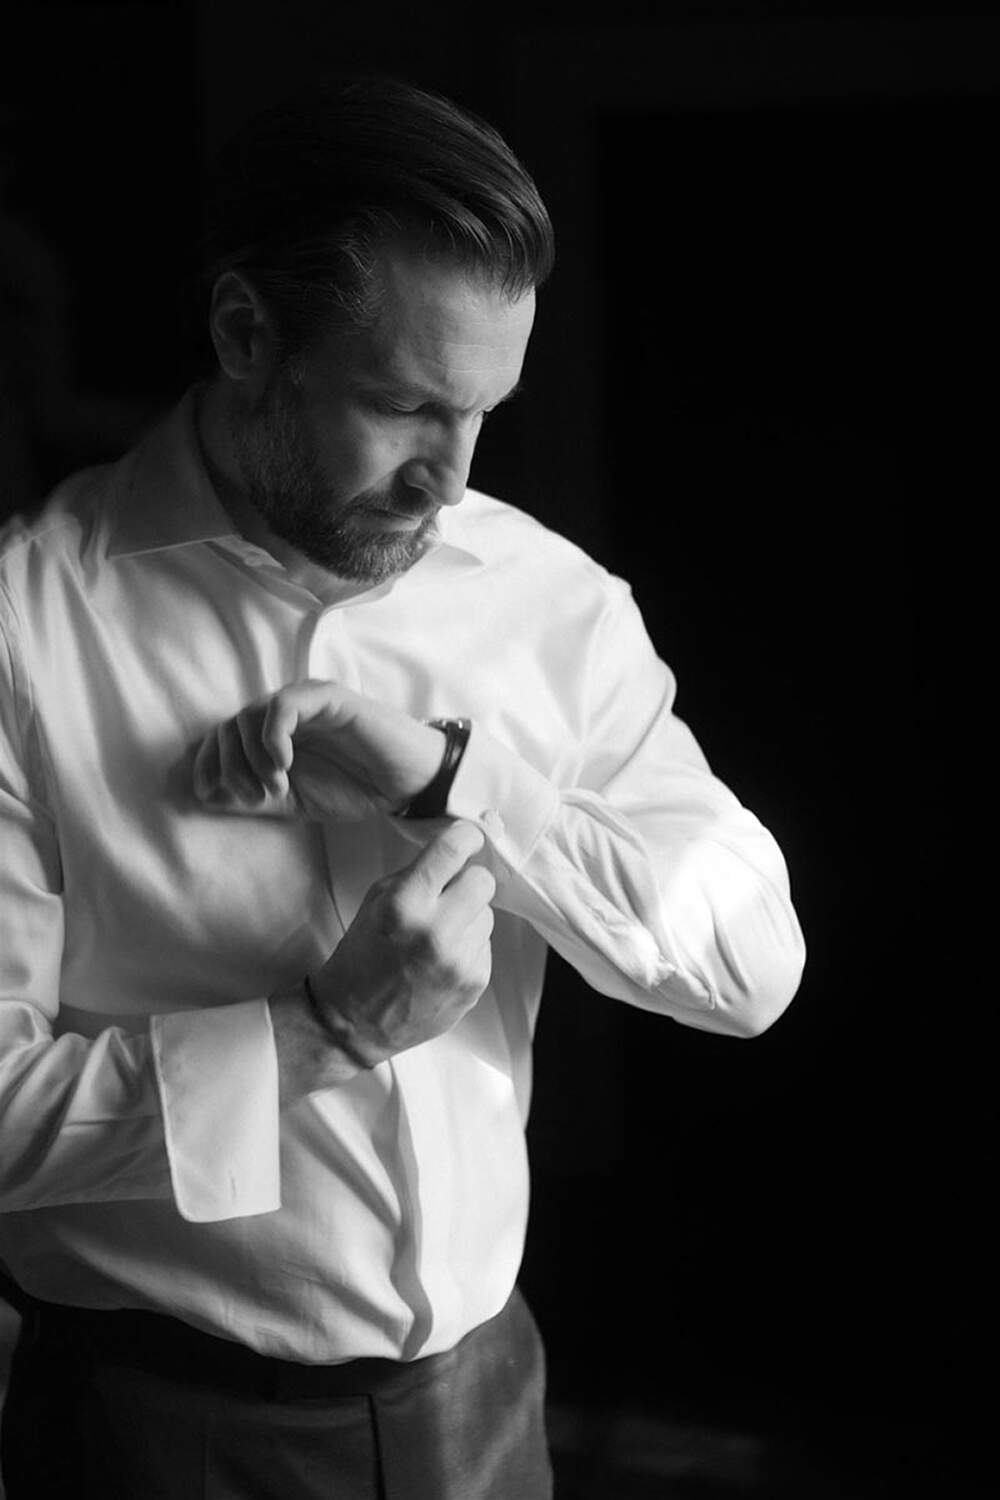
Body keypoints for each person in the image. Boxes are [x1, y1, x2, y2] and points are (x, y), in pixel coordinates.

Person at [0, 74, 805, 1499]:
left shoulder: (552, 604)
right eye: (404, 407)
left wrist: (452, 776)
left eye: (484, 411)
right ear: (246, 333)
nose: (451, 477)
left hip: (489, 1407)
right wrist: (324, 1029)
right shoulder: (25, 631)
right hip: (157, 1433)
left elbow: (749, 971)